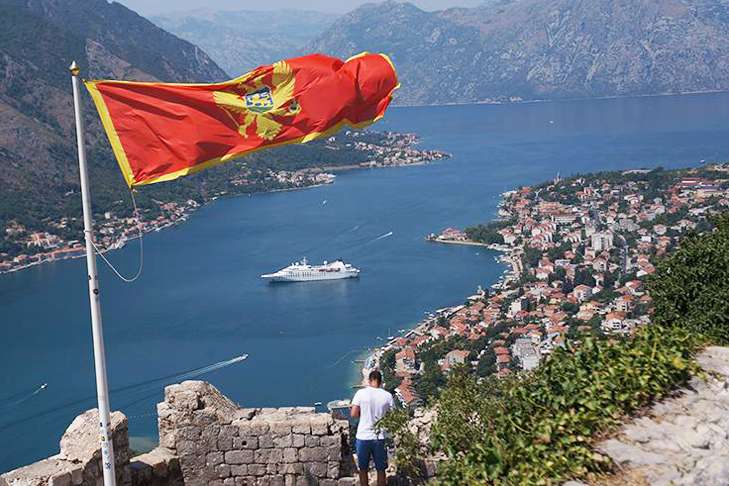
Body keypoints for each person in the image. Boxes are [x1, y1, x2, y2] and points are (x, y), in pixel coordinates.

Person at [351, 370, 395, 486]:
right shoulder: (387, 396)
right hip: (380, 436)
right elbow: (393, 416)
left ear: (369, 380)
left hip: (363, 436)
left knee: (363, 469)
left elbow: (354, 413)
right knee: (381, 470)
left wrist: (364, 414)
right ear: (381, 382)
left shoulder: (360, 393)